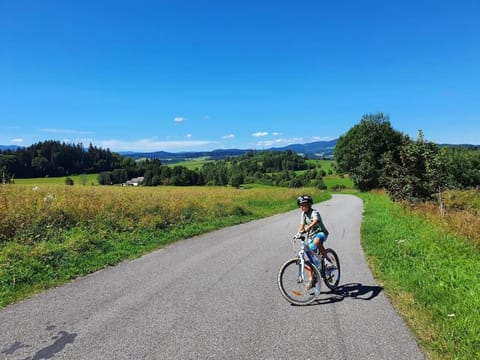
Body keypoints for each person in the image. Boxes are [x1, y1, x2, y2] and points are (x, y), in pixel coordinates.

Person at [295, 194, 333, 290]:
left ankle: (327, 260)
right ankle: (312, 279)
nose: (302, 207)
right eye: (301, 205)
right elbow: (301, 225)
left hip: (321, 233)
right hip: (311, 237)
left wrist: (309, 227)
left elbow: (315, 220)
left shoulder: (314, 212)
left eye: (305, 204)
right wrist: (298, 233)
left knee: (317, 241)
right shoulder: (303, 215)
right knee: (308, 258)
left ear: (309, 204)